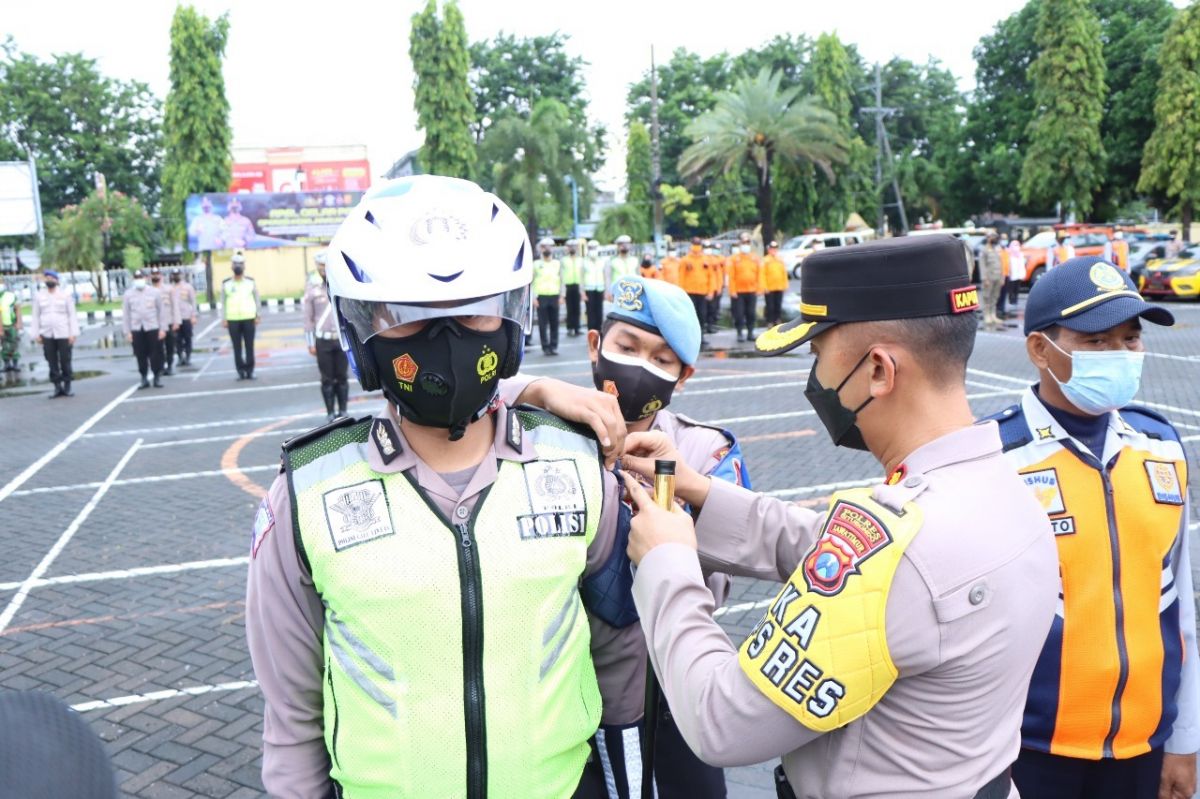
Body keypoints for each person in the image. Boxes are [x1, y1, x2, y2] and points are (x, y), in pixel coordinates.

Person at [245, 176, 645, 799]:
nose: (447, 339)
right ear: (362, 330)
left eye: (473, 312)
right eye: (407, 317)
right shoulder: (306, 496)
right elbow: (293, 715)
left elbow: (619, 653)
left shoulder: (573, 465)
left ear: (511, 321)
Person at [618, 235, 1059, 798]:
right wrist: (702, 491)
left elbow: (720, 719)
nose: (816, 381)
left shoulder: (904, 543)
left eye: (819, 356)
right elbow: (838, 553)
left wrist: (666, 562)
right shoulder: (1005, 491)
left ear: (878, 370)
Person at [986, 256, 1199, 799]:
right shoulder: (993, 458)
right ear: (1041, 349)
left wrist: (1184, 740)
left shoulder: (1161, 445)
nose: (1121, 356)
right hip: (1028, 755)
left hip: (1142, 749)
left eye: (1130, 340)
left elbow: (1180, 610)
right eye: (1097, 342)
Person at [590, 274, 750, 797]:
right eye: (627, 347)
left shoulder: (706, 453)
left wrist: (670, 514)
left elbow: (721, 580)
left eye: (661, 360)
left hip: (674, 688)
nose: (639, 366)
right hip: (576, 689)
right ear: (596, 347)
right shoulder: (542, 437)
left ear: (683, 377)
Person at [303, 251, 349, 421]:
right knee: (327, 379)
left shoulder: (341, 287)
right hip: (322, 340)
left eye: (326, 266)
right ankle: (330, 412)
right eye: (321, 266)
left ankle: (343, 411)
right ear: (317, 267)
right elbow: (308, 319)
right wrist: (310, 342)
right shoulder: (312, 290)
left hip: (341, 338)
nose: (323, 270)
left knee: (342, 377)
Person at [30, 270, 80, 397]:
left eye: (52, 278)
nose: (49, 280)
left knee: (65, 360)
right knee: (51, 361)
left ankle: (67, 386)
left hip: (64, 333)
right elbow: (36, 316)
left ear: (57, 281)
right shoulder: (39, 296)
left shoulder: (65, 295)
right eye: (47, 278)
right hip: (47, 333)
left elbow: (72, 315)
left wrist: (73, 333)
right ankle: (57, 386)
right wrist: (36, 334)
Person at [122, 269, 168, 389]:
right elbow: (126, 314)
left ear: (146, 278)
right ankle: (143, 377)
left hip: (152, 327)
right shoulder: (128, 294)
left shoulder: (154, 292)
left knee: (155, 353)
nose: (139, 280)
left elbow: (161, 311)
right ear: (134, 279)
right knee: (140, 354)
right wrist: (127, 332)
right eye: (137, 278)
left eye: (141, 277)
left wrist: (163, 328)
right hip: (136, 328)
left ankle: (156, 376)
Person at [221, 250, 260, 380]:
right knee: (237, 347)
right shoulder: (226, 283)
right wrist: (224, 319)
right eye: (235, 264)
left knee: (250, 346)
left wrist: (257, 315)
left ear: (244, 266)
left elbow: (257, 299)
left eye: (240, 264)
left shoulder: (250, 282)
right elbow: (223, 302)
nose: (238, 266)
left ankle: (250, 370)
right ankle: (240, 371)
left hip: (249, 317)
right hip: (232, 319)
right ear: (231, 266)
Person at [728, 233, 763, 342]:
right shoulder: (734, 259)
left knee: (751, 313)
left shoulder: (755, 258)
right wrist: (732, 290)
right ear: (740, 244)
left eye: (748, 242)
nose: (746, 244)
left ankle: (750, 332)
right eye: (743, 242)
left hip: (751, 290)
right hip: (738, 291)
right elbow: (731, 276)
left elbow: (760, 274)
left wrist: (760, 288)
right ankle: (739, 332)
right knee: (739, 313)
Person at [678, 238, 711, 348]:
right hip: (689, 292)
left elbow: (710, 276)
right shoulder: (685, 260)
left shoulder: (706, 260)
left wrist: (710, 291)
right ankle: (690, 339)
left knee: (702, 315)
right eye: (695, 244)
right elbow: (681, 277)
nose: (696, 247)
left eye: (698, 244)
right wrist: (681, 292)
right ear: (691, 245)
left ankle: (701, 337)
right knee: (691, 316)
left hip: (702, 291)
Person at [534, 236, 563, 356]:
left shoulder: (557, 263)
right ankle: (545, 347)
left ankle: (554, 346)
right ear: (541, 249)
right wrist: (533, 298)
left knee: (555, 323)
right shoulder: (536, 264)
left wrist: (562, 296)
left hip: (555, 296)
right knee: (542, 323)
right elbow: (530, 282)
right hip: (541, 297)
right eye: (544, 246)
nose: (547, 249)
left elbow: (562, 280)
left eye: (549, 246)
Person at [150, 267, 180, 376]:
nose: (155, 276)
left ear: (161, 276)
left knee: (170, 346)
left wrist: (176, 321)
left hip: (169, 321)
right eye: (153, 274)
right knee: (158, 348)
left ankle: (170, 366)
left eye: (157, 274)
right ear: (150, 276)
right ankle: (161, 367)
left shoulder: (169, 289)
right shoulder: (148, 290)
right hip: (155, 324)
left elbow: (175, 305)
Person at [170, 268, 198, 366]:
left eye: (177, 274)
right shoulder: (170, 288)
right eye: (174, 274)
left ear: (181, 275)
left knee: (187, 338)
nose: (176, 276)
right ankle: (180, 357)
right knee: (177, 339)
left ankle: (188, 356)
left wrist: (193, 315)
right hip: (175, 319)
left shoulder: (187, 287)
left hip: (186, 316)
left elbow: (193, 301)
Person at [980, 234, 1005, 331]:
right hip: (988, 278)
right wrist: (984, 278)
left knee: (995, 297)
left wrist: (1002, 277)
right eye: (993, 237)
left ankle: (993, 315)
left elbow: (1000, 263)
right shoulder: (984, 250)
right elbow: (982, 265)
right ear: (988, 238)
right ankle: (987, 315)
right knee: (987, 297)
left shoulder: (997, 249)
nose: (995, 239)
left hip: (998, 277)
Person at [582, 239, 607, 333]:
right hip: (588, 290)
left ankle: (599, 331)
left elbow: (605, 276)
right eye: (591, 248)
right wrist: (582, 292)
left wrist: (606, 290)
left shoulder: (602, 261)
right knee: (590, 312)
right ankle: (591, 332)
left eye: (594, 248)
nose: (593, 250)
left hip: (600, 289)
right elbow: (581, 277)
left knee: (599, 311)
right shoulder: (584, 261)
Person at [762, 240, 788, 328]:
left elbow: (784, 273)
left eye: (775, 248)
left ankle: (777, 320)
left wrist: (785, 285)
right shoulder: (765, 260)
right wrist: (764, 286)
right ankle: (769, 321)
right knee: (770, 306)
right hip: (769, 287)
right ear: (768, 249)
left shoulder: (780, 259)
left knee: (778, 305)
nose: (773, 250)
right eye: (772, 248)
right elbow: (762, 274)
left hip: (779, 286)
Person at [561, 239, 584, 337]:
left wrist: (582, 289)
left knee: (577, 308)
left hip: (578, 285)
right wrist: (562, 291)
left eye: (574, 246)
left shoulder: (581, 260)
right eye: (570, 246)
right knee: (569, 308)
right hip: (568, 285)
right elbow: (561, 275)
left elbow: (582, 275)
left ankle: (577, 327)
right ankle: (570, 327)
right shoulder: (564, 260)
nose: (572, 248)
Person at [0, 276, 21, 373]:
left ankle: (15, 364)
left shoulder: (10, 295)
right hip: (1, 326)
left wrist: (18, 323)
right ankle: (7, 364)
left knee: (14, 344)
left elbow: (17, 309)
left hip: (11, 325)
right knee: (3, 345)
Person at [705, 242, 725, 333]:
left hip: (716, 286)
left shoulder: (718, 260)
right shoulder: (705, 260)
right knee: (706, 308)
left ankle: (711, 325)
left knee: (714, 308)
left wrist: (720, 286)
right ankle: (707, 326)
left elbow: (721, 275)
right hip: (706, 288)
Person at [1007, 233, 1027, 312]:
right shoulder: (1009, 254)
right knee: (1011, 288)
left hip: (1018, 275)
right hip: (1012, 275)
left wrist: (1023, 274)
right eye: (1014, 245)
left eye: (1017, 245)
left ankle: (1015, 300)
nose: (1016, 247)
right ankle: (1011, 300)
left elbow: (1022, 265)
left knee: (1017, 288)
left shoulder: (1021, 255)